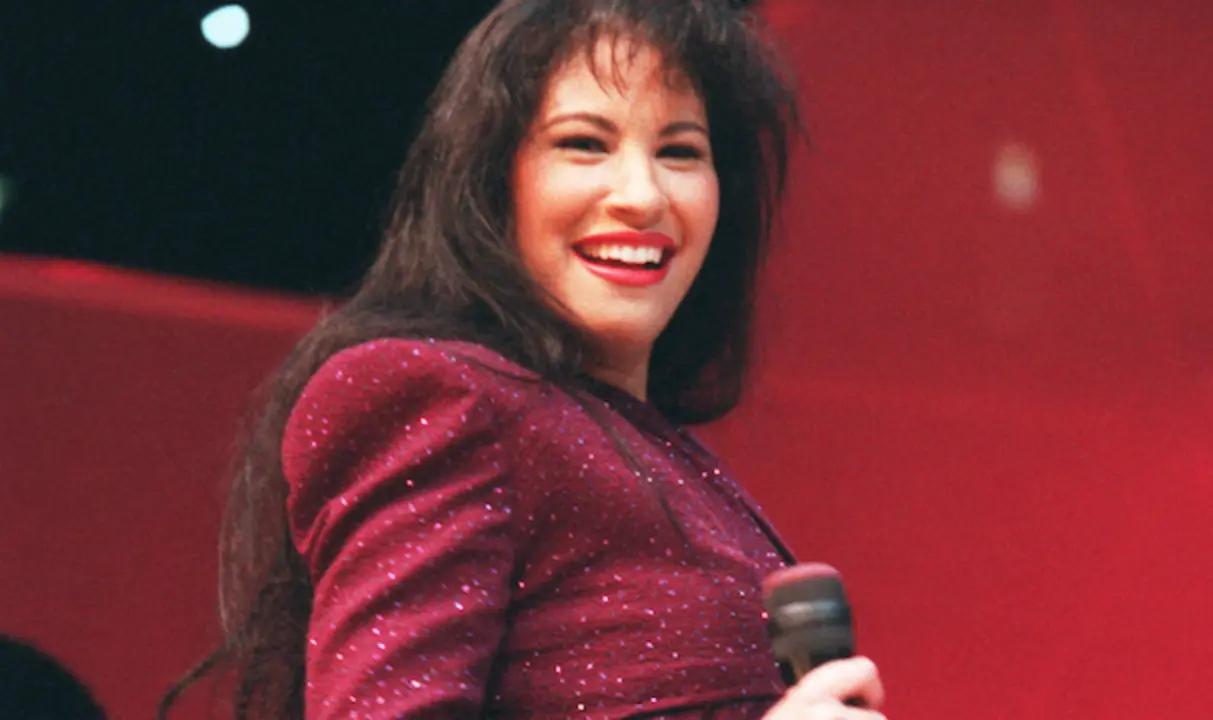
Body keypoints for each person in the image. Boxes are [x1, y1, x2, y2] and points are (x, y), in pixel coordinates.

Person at [162, 0, 886, 718]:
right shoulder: (434, 395)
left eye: (680, 152)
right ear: (490, 180)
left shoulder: (670, 459)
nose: (642, 195)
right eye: (584, 144)